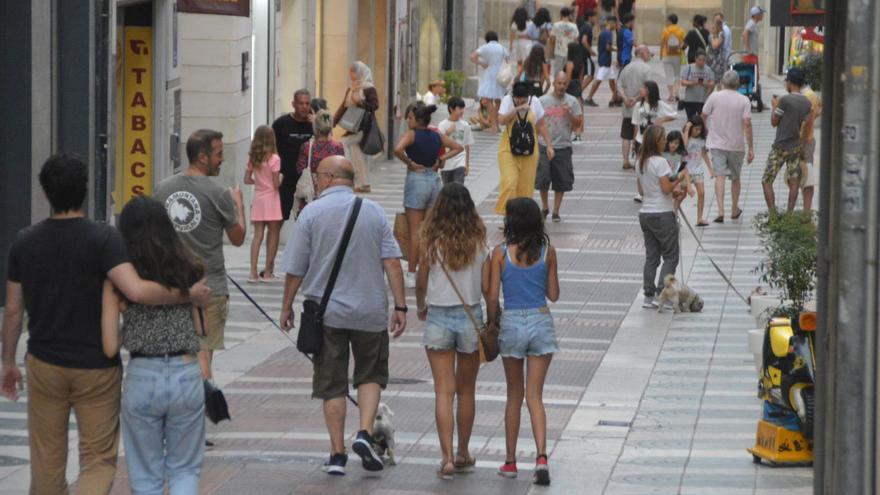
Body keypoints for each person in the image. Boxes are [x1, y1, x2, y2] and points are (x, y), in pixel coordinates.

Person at [1, 154, 210, 494]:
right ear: (85, 190)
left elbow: (12, 311)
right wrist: (189, 294)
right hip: (97, 367)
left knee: (46, 461)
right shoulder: (104, 240)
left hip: (44, 363)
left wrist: (8, 362)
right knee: (98, 460)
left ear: (45, 193)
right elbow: (138, 290)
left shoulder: (24, 241)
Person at [279, 155, 407, 476]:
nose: (316, 180)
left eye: (319, 175)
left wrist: (287, 306)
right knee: (370, 375)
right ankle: (363, 432)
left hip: (328, 315)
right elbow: (392, 262)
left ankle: (337, 454)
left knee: (332, 384)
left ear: (331, 177)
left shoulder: (311, 214)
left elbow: (295, 268)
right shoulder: (375, 212)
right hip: (371, 312)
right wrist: (401, 306)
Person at [101, 197, 207, 494]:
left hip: (142, 373)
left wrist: (130, 327)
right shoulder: (191, 269)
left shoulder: (119, 280)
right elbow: (201, 328)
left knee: (145, 474)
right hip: (186, 371)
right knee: (185, 469)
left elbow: (110, 346)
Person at [156, 129, 246, 382]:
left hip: (171, 287)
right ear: (203, 157)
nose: (222, 159)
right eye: (219, 154)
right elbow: (238, 238)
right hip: (210, 288)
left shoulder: (163, 189)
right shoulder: (219, 194)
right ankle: (200, 406)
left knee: (180, 355)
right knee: (201, 353)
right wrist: (238, 204)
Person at [414, 183, 489, 480]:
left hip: (438, 316)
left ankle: (445, 458)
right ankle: (462, 452)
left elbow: (421, 281)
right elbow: (485, 286)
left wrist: (421, 305)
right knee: (466, 390)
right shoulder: (479, 240)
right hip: (471, 316)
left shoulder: (430, 239)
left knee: (443, 392)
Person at [487, 197, 560, 486]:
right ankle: (541, 457)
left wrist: (492, 323)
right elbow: (553, 294)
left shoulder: (500, 253)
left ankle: (510, 461)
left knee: (514, 396)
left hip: (513, 322)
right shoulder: (548, 252)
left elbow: (493, 296)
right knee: (535, 396)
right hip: (541, 320)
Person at [394, 103, 464, 288]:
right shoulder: (436, 135)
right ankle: (431, 268)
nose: (408, 121)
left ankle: (411, 273)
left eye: (410, 118)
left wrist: (409, 162)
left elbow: (397, 149)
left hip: (416, 179)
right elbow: (458, 147)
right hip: (434, 180)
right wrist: (441, 159)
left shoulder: (411, 135)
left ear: (417, 120)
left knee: (415, 232)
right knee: (430, 230)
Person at [636, 126, 688, 309]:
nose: (666, 141)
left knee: (652, 257)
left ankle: (648, 296)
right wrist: (679, 178)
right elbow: (666, 189)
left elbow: (642, 190)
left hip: (646, 213)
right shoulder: (660, 162)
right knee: (671, 256)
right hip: (662, 213)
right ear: (656, 141)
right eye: (663, 138)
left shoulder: (640, 162)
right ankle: (662, 293)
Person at [701, 69, 754, 222]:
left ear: (723, 82)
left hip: (716, 143)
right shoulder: (744, 100)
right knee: (736, 178)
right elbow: (747, 123)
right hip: (736, 145)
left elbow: (703, 116)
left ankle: (720, 210)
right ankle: (734, 209)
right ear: (738, 84)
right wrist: (751, 147)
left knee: (720, 176)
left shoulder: (714, 97)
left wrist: (704, 134)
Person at [496, 81, 555, 215]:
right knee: (509, 181)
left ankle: (521, 217)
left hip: (530, 149)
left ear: (528, 96)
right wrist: (516, 109)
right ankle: (507, 214)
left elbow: (542, 125)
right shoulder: (507, 100)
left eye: (523, 98)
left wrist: (549, 146)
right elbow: (501, 121)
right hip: (508, 148)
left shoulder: (535, 102)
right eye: (517, 98)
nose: (520, 100)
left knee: (526, 185)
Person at [763, 67, 813, 214]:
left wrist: (774, 106)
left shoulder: (784, 100)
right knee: (794, 182)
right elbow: (806, 125)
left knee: (767, 180)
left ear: (790, 83)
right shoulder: (807, 103)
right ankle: (789, 215)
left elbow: (774, 122)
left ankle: (773, 214)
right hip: (795, 147)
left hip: (780, 146)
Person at [537, 72, 583, 222]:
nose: (562, 86)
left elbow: (578, 125)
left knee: (561, 180)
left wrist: (569, 113)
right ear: (554, 83)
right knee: (542, 178)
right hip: (544, 144)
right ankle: (545, 206)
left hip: (563, 145)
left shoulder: (572, 101)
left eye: (564, 84)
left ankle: (556, 211)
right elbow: (536, 122)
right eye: (559, 83)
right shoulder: (542, 101)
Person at [243, 125, 283, 283]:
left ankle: (252, 273)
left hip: (258, 197)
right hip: (272, 199)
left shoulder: (253, 158)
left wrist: (258, 182)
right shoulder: (275, 159)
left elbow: (246, 180)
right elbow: (275, 184)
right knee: (273, 234)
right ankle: (267, 273)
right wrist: (281, 179)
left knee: (257, 236)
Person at [335, 61, 380, 194]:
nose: (351, 74)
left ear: (360, 73)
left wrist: (361, 102)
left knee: (344, 144)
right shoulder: (351, 88)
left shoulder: (368, 88)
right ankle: (364, 183)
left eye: (353, 72)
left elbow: (375, 106)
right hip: (352, 126)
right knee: (357, 155)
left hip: (363, 127)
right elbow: (343, 106)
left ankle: (350, 175)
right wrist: (333, 121)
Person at [272, 89, 313, 222]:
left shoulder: (313, 125)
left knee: (306, 219)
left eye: (307, 104)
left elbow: (325, 142)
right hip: (286, 179)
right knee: (279, 218)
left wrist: (316, 124)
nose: (304, 107)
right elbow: (272, 148)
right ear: (293, 104)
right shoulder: (281, 124)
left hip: (307, 180)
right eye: (301, 103)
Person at [617, 45, 654, 170]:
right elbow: (648, 88)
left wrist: (625, 98)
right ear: (642, 53)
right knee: (640, 134)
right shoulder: (647, 69)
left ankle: (626, 161)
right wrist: (636, 99)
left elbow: (619, 86)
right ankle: (639, 160)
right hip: (641, 107)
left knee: (626, 135)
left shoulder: (626, 68)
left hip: (627, 108)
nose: (649, 54)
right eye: (648, 52)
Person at [470, 31, 509, 133]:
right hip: (500, 76)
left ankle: (494, 126)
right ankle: (496, 125)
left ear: (487, 39)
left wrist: (482, 63)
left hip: (490, 74)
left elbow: (472, 57)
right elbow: (508, 60)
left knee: (488, 100)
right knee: (497, 100)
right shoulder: (502, 48)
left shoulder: (485, 47)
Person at [682, 115, 714, 225]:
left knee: (702, 193)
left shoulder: (701, 140)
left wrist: (710, 169)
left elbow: (704, 154)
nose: (698, 131)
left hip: (698, 169)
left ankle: (699, 218)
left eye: (700, 129)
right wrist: (686, 130)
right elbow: (684, 147)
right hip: (686, 170)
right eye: (696, 129)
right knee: (682, 194)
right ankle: (675, 214)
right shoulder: (686, 137)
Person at [585, 16, 622, 107]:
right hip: (605, 60)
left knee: (612, 80)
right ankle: (589, 98)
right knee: (598, 80)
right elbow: (608, 47)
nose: (616, 26)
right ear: (611, 23)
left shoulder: (603, 33)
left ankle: (616, 97)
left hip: (605, 60)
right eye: (615, 24)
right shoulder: (609, 33)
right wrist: (617, 49)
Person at [437, 97, 476, 185]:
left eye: (463, 108)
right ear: (451, 109)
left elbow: (467, 145)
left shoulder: (465, 125)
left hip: (460, 162)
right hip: (446, 164)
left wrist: (467, 164)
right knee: (447, 190)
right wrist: (447, 133)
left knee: (458, 188)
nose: (462, 111)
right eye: (459, 108)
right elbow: (439, 144)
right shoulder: (442, 125)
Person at [297, 109, 345, 177]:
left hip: (312, 186)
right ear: (330, 126)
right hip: (331, 185)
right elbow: (341, 170)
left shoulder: (306, 147)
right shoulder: (338, 146)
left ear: (315, 126)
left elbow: (299, 170)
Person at [631, 80, 677, 150]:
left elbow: (675, 115)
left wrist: (663, 119)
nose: (640, 89)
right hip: (640, 140)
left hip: (654, 141)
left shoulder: (660, 104)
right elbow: (636, 125)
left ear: (649, 90)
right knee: (640, 160)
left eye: (643, 88)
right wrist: (634, 142)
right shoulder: (638, 105)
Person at [800, 82, 822, 211]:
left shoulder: (806, 96)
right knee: (805, 175)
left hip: (805, 141)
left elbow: (807, 122)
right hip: (808, 139)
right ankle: (806, 211)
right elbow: (820, 109)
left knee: (806, 177)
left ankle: (807, 211)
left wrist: (802, 143)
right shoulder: (812, 94)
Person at [680, 50, 714, 118]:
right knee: (690, 120)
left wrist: (705, 85)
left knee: (701, 120)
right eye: (699, 60)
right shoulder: (689, 68)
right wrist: (693, 83)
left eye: (703, 60)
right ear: (695, 59)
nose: (701, 62)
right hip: (690, 100)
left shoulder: (708, 69)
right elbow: (683, 82)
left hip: (702, 100)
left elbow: (712, 83)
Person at [564, 42, 588, 139]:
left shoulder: (570, 63)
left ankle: (570, 132)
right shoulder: (580, 63)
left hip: (571, 86)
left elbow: (568, 77)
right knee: (579, 110)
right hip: (578, 84)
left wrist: (564, 88)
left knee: (570, 110)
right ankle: (578, 133)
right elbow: (581, 77)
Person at [661, 14, 686, 102]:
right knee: (677, 75)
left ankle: (671, 95)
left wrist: (661, 54)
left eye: (667, 20)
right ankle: (677, 94)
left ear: (670, 21)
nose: (667, 22)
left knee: (669, 75)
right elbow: (683, 43)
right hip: (677, 55)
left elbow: (663, 43)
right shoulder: (681, 31)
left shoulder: (666, 30)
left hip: (666, 55)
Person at [549, 7, 579, 76]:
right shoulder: (574, 26)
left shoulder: (556, 25)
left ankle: (557, 85)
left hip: (558, 51)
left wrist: (552, 50)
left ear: (561, 14)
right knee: (568, 72)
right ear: (569, 15)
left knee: (557, 72)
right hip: (570, 52)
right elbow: (576, 40)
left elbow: (552, 39)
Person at [578, 10, 599, 91]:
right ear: (590, 17)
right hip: (585, 55)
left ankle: (578, 93)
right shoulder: (588, 27)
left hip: (580, 54)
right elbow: (584, 40)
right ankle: (579, 93)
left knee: (581, 74)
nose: (596, 19)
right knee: (590, 75)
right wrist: (591, 51)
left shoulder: (583, 26)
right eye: (595, 17)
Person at [707, 17, 727, 84]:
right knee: (710, 78)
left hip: (717, 60)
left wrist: (712, 36)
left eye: (713, 27)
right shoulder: (713, 35)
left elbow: (715, 46)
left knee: (717, 79)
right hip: (711, 59)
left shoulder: (720, 34)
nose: (711, 29)